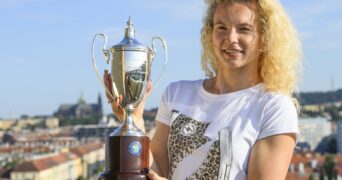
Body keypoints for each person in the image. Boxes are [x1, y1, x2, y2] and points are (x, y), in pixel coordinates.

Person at [104, 0, 302, 179]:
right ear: (210, 33)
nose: (231, 38)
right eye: (221, 27)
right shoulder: (177, 94)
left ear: (264, 38)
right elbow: (158, 171)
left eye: (244, 29)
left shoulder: (274, 108)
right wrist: (133, 122)